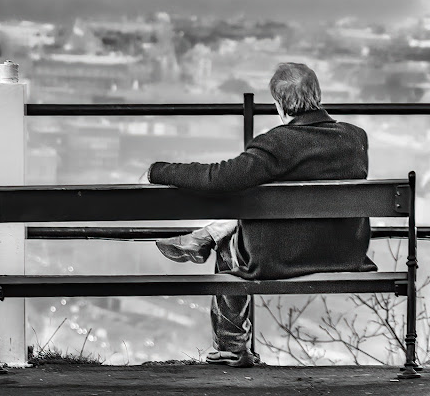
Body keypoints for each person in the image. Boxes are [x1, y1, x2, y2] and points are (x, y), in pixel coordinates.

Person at [147, 62, 376, 368]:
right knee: (249, 215)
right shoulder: (355, 139)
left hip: (282, 256)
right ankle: (202, 238)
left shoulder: (277, 143)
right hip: (345, 251)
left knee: (230, 246)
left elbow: (219, 178)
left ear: (279, 105)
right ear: (318, 95)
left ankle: (231, 345)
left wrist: (158, 171)